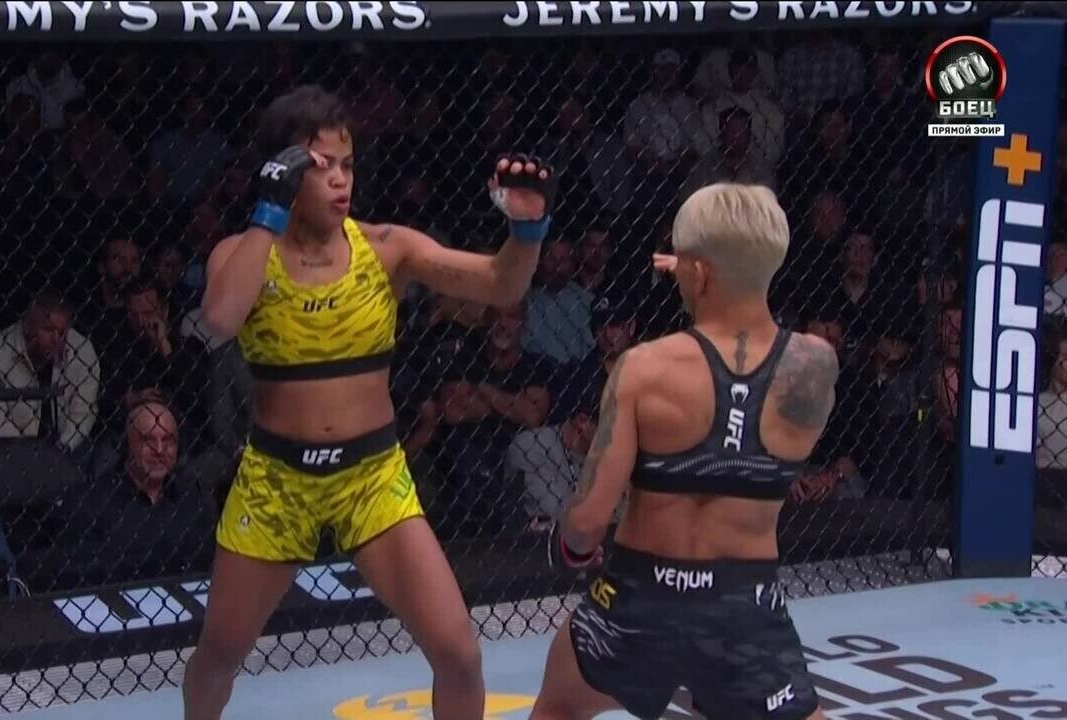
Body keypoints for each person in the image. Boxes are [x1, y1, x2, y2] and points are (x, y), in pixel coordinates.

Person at [182, 85, 556, 720]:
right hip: (277, 483)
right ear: (282, 170)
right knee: (218, 654)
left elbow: (501, 284)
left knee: (460, 654)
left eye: (347, 164)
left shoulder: (385, 248)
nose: (339, 180)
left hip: (372, 478)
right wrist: (267, 213)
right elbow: (220, 317)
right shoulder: (244, 254)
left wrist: (527, 228)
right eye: (321, 165)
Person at [532, 183, 837, 720]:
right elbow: (743, 426)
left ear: (699, 273)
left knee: (560, 699)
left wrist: (571, 550)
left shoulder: (643, 368)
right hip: (744, 609)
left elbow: (588, 522)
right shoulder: (814, 366)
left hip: (641, 602)